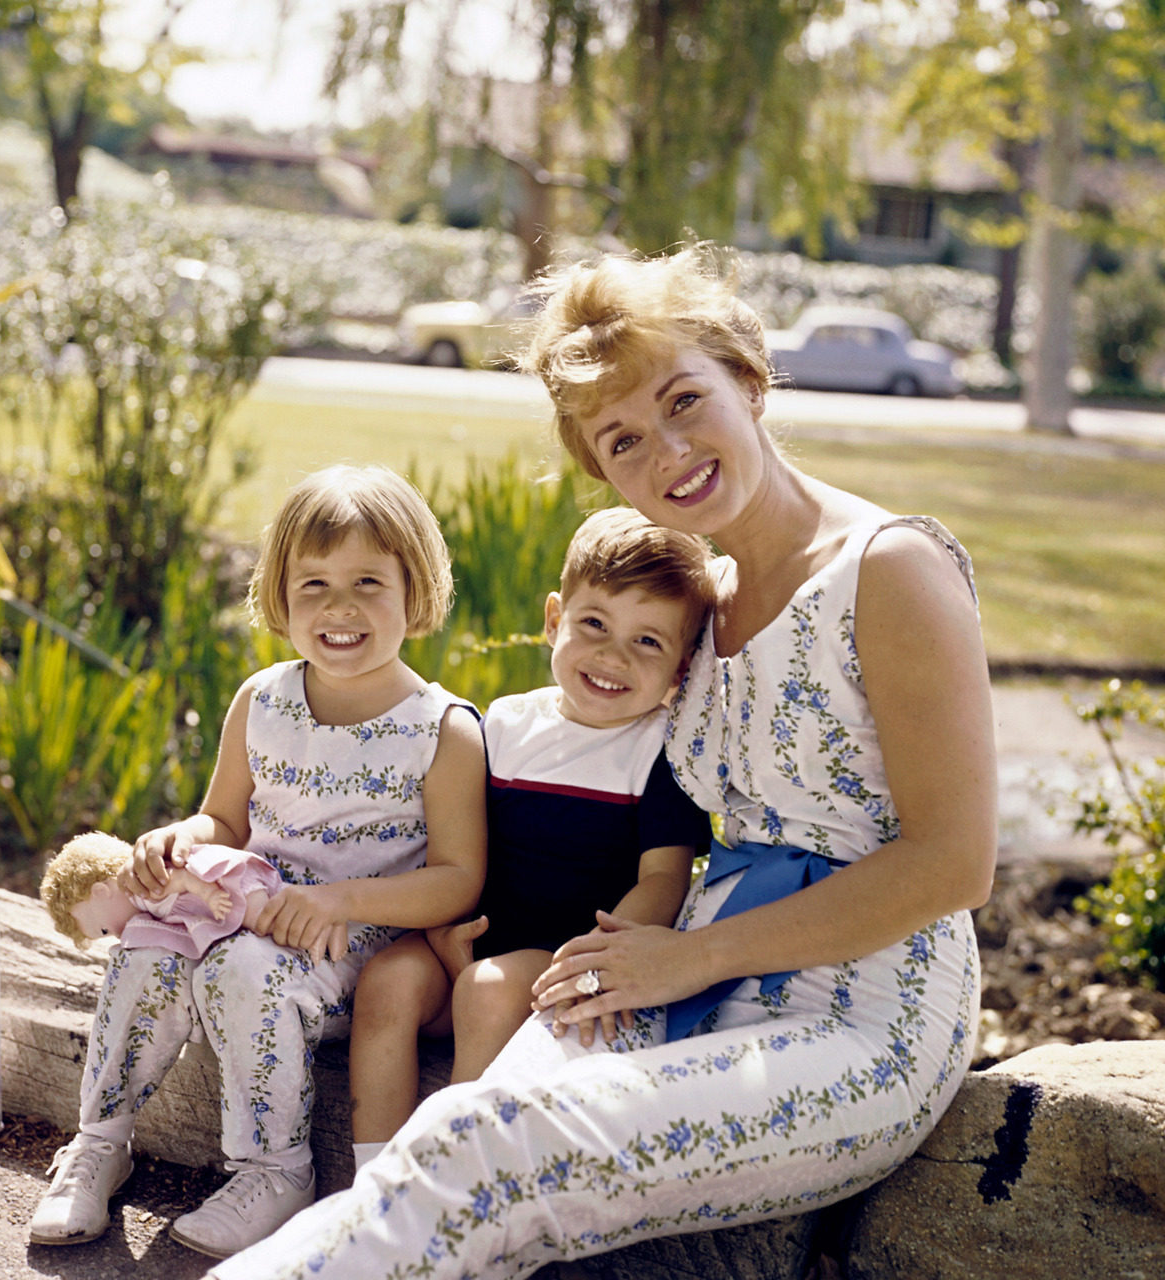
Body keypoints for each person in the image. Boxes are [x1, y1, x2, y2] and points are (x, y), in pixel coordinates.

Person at [201, 245, 996, 1280]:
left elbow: (952, 864)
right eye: (624, 440)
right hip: (678, 967)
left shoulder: (888, 567)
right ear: (604, 473)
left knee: (490, 1148)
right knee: (467, 1124)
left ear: (748, 381)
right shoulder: (696, 604)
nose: (665, 451)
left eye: (683, 401)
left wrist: (691, 956)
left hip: (860, 1018)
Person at [28, 464, 486, 1259]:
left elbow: (457, 879)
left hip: (346, 949)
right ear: (279, 595)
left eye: (368, 582)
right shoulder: (263, 699)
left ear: (416, 592)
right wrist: (182, 836)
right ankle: (101, 1141)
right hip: (236, 916)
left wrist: (341, 903)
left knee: (243, 970)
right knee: (144, 949)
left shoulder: (440, 730)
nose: (339, 609)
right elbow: (226, 818)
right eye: (313, 584)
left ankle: (277, 1169)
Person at [348, 507, 714, 1163]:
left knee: (487, 990)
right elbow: (453, 844)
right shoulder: (503, 726)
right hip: (461, 944)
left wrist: (596, 964)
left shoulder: (658, 753)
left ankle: (450, 1179)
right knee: (386, 982)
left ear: (683, 667)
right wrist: (438, 933)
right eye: (594, 625)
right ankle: (370, 1181)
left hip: (557, 966)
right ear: (553, 621)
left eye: (648, 643)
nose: (612, 656)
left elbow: (664, 880)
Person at [40, 830, 284, 958]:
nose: (114, 935)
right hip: (228, 903)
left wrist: (209, 894)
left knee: (268, 920)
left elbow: (185, 878)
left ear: (102, 892)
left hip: (231, 889)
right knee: (271, 925)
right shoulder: (143, 905)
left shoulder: (145, 887)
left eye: (104, 929)